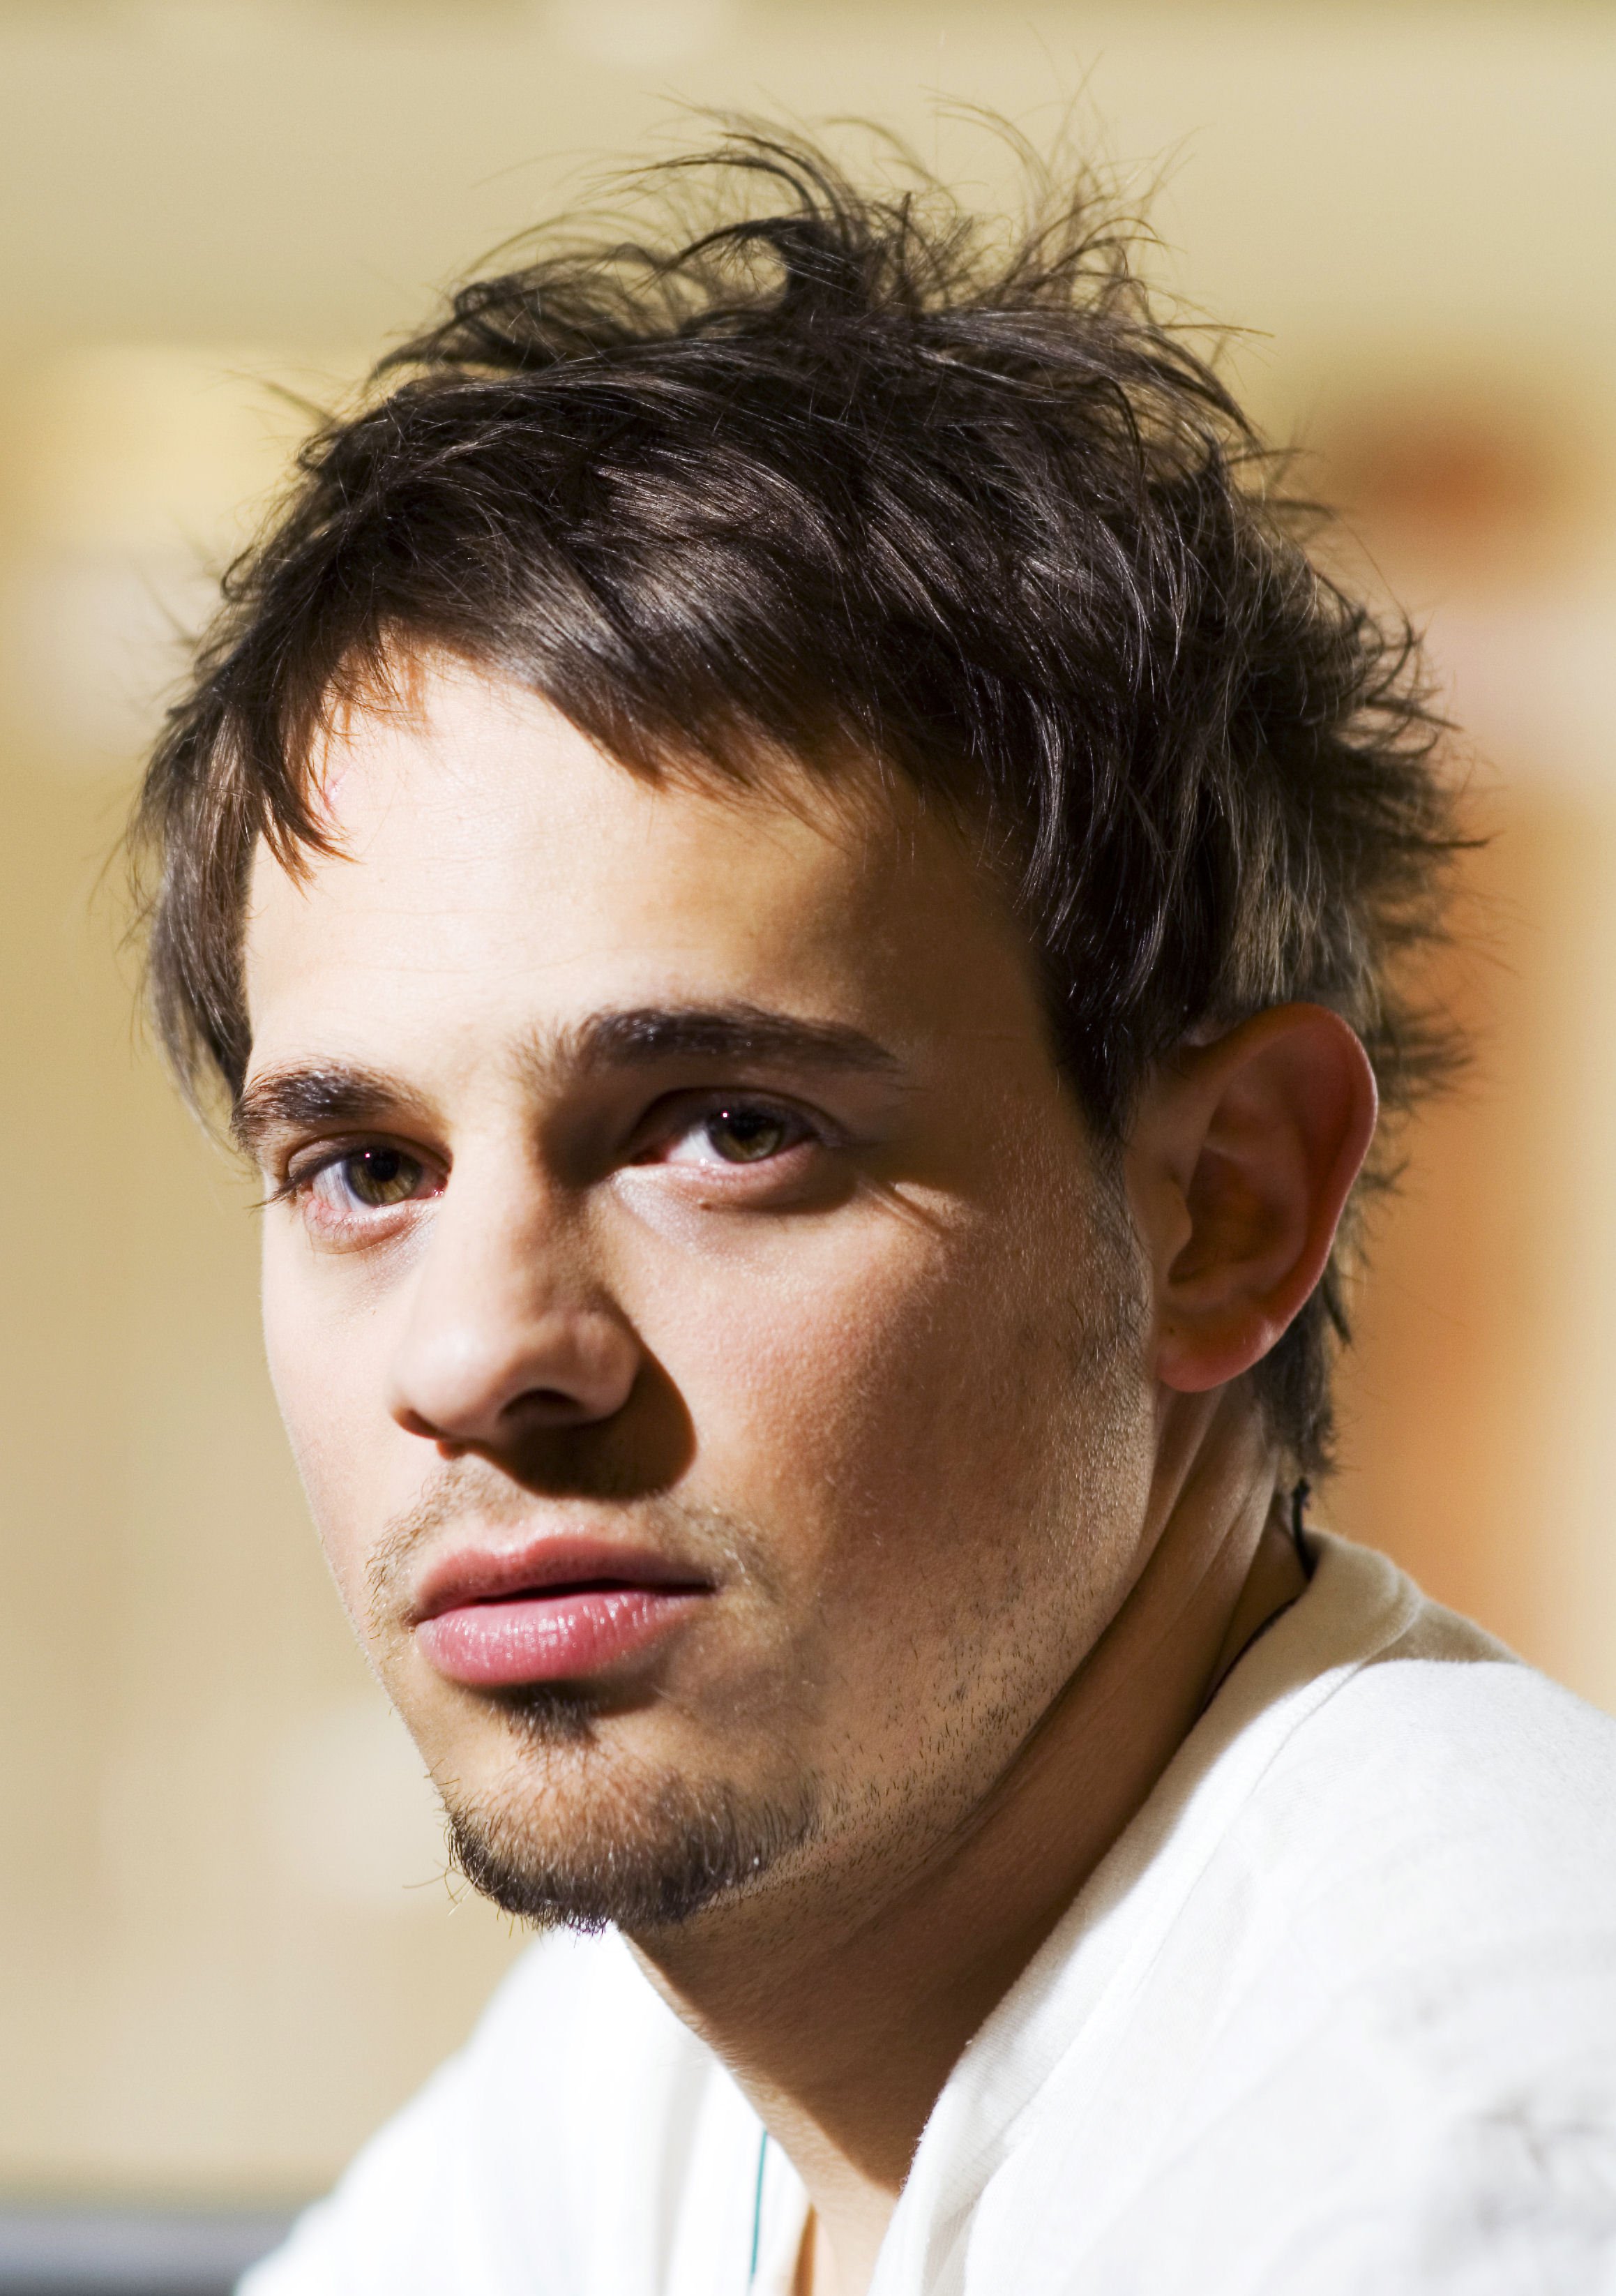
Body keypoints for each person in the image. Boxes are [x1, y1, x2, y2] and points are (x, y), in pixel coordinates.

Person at [131, 127, 1616, 2295]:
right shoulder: (677, 2048)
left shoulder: (1443, 2165)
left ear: (1226, 1204)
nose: (475, 1352)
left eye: (723, 1125)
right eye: (367, 1168)